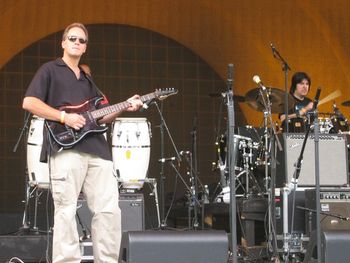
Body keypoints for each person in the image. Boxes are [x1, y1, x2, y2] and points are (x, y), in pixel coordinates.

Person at [22, 22, 143, 263]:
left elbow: (102, 114)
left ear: (85, 47)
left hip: (98, 151)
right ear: (63, 43)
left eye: (82, 40)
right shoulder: (50, 70)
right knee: (65, 211)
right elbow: (29, 102)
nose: (77, 43)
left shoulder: (88, 79)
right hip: (67, 148)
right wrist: (64, 116)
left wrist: (125, 106)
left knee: (109, 211)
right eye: (73, 39)